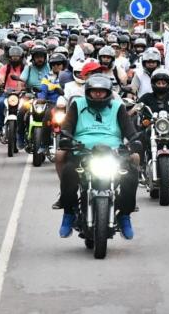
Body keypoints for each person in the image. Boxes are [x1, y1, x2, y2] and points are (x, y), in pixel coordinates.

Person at [55, 75, 140, 239]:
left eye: (102, 91)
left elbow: (129, 130)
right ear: (88, 92)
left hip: (113, 153)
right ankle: (69, 212)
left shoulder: (117, 107)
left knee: (130, 175)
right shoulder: (77, 104)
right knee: (69, 174)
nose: (98, 95)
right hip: (83, 151)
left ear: (108, 92)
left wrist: (135, 141)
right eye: (95, 92)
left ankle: (124, 215)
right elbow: (67, 127)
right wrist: (65, 138)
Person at [137, 68, 169, 179]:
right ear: (153, 83)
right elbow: (137, 106)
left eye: (164, 83)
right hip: (152, 127)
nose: (161, 85)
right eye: (158, 83)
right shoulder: (146, 97)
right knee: (140, 140)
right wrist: (135, 108)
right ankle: (140, 167)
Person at [0, 46, 25, 135]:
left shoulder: (25, 68)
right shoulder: (4, 68)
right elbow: (0, 78)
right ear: (9, 57)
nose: (15, 58)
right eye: (13, 56)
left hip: (22, 93)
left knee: (25, 108)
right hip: (7, 92)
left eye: (17, 56)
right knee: (0, 103)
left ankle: (24, 129)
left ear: (21, 57)